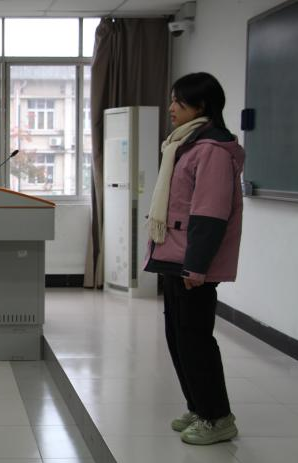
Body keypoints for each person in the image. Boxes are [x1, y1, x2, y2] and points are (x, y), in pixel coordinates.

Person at [143, 72, 244, 445]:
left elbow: (210, 214)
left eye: (178, 101)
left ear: (201, 106)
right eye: (172, 99)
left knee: (195, 340)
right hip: (174, 253)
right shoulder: (184, 144)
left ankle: (218, 417)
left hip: (191, 261)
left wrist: (197, 265)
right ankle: (199, 406)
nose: (171, 107)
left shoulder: (212, 150)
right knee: (178, 337)